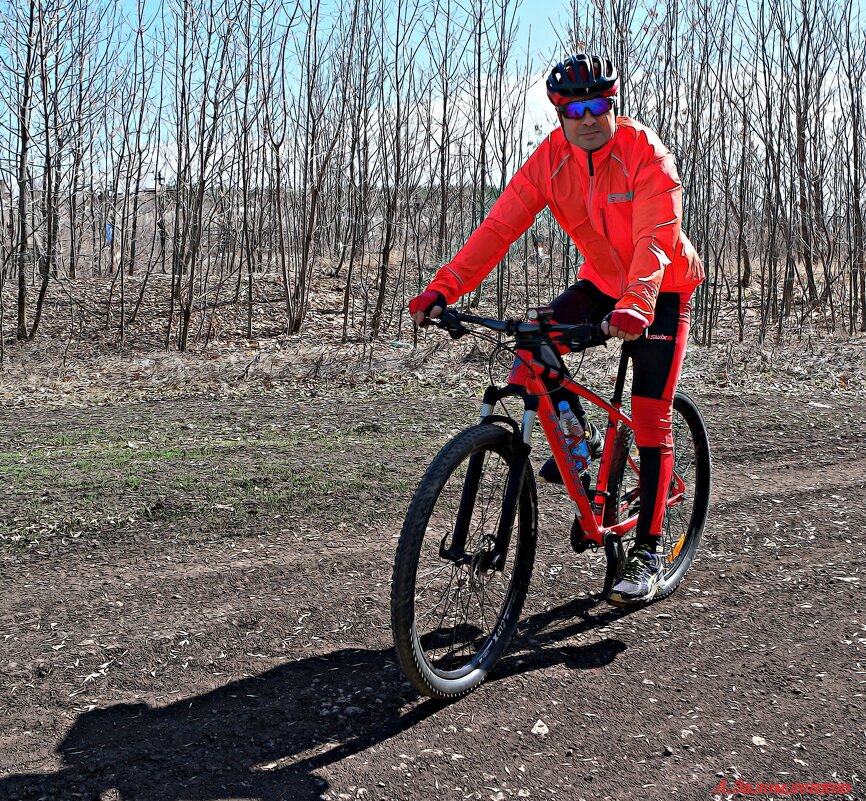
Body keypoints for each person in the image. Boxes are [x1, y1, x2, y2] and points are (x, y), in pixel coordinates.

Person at [408, 53, 705, 606]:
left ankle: (649, 550)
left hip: (660, 289)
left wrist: (638, 302)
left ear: (613, 107)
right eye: (576, 109)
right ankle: (584, 449)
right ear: (559, 113)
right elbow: (499, 227)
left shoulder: (648, 158)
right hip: (601, 282)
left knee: (648, 414)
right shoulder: (550, 161)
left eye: (600, 106)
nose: (590, 118)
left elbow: (656, 238)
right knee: (533, 339)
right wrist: (444, 287)